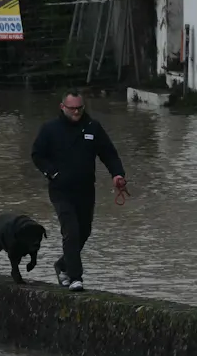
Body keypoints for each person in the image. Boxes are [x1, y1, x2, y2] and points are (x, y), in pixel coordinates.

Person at [30, 91, 126, 291]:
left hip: (85, 190)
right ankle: (75, 277)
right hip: (61, 190)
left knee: (85, 231)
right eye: (72, 108)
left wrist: (117, 174)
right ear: (62, 107)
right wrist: (52, 173)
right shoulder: (50, 129)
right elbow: (37, 154)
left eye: (79, 108)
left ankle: (62, 264)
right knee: (71, 231)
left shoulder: (93, 127)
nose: (76, 112)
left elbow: (108, 153)